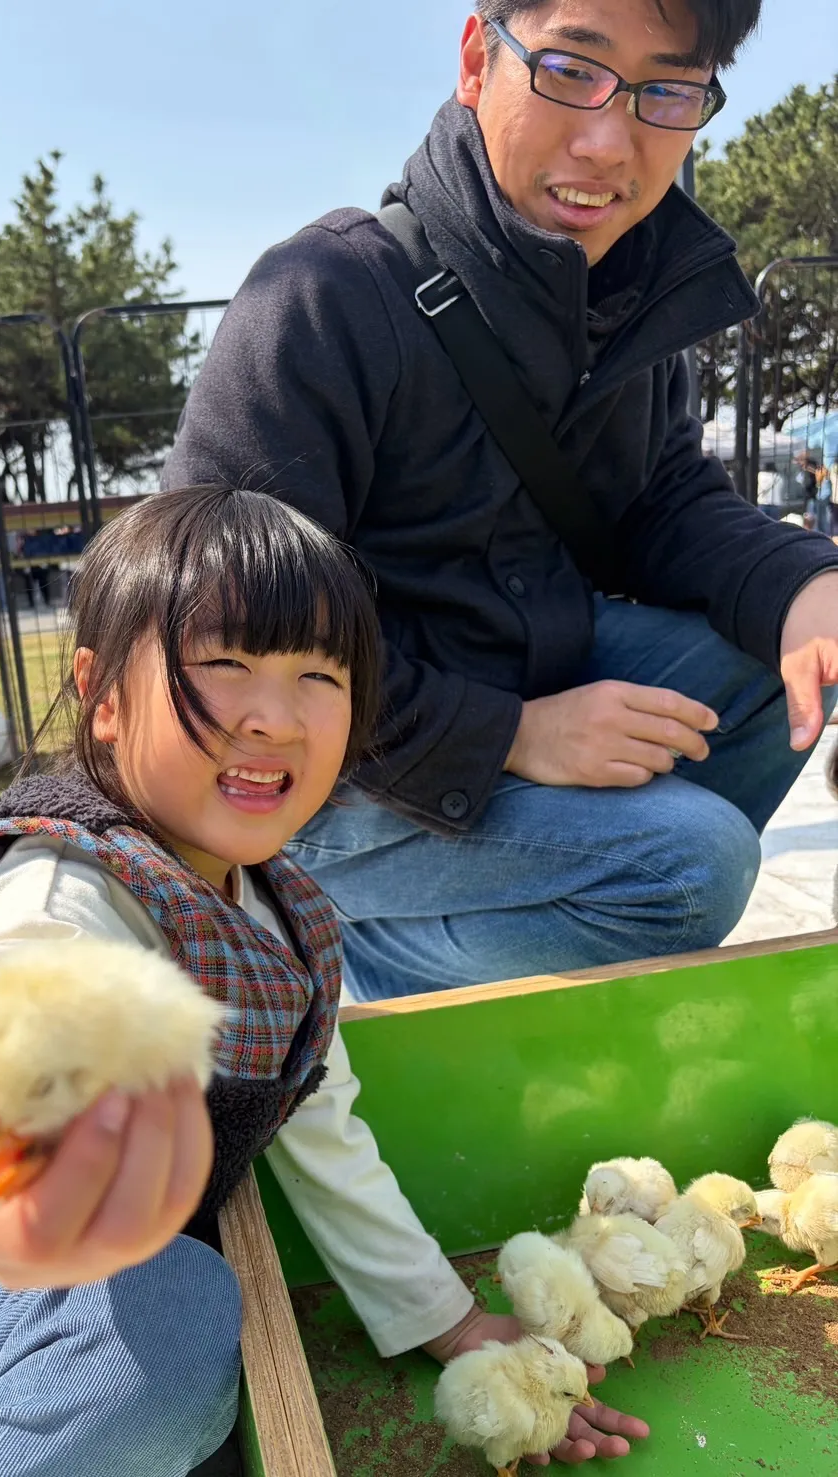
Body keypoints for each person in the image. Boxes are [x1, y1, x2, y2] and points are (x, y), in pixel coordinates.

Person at [0, 487, 648, 1477]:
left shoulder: (276, 910)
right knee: (173, 1314)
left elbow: (317, 1119)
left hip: (15, 1330)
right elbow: (17, 986)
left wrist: (454, 1323)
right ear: (104, 696)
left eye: (318, 673)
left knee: (190, 1339)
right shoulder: (63, 880)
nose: (275, 717)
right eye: (223, 667)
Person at [164, 0, 838, 1001]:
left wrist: (805, 585)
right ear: (478, 59)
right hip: (319, 772)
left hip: (516, 672)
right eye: (572, 69)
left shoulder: (629, 289)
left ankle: (568, 941)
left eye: (666, 90)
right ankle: (349, 952)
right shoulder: (323, 296)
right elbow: (228, 641)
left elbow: (659, 499)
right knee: (687, 864)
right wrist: (514, 736)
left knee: (777, 666)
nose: (608, 141)